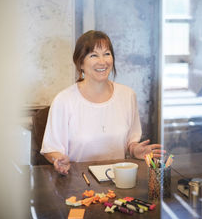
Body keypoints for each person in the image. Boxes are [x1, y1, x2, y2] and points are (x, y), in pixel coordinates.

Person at [40, 30, 164, 174]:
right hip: (79, 182)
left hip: (118, 181)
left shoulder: (127, 95)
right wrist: (59, 160)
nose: (102, 61)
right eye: (94, 55)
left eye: (107, 54)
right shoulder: (64, 100)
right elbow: (51, 149)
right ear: (80, 63)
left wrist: (135, 150)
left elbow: (130, 141)